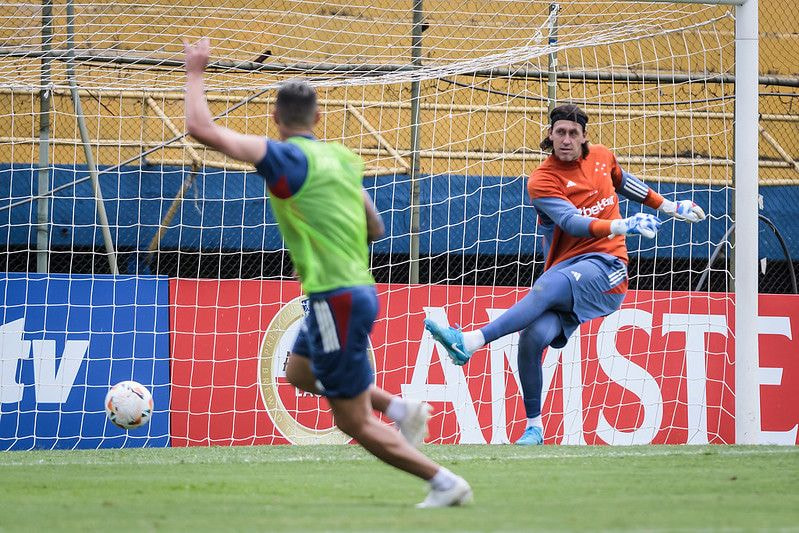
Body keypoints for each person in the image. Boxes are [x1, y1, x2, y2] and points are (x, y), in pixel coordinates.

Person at [184, 38, 472, 507]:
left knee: (351, 420)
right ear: (318, 118)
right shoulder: (339, 159)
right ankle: (400, 408)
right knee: (298, 372)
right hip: (357, 288)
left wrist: (196, 70)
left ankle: (444, 481)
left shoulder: (284, 158)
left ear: (275, 120)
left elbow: (201, 128)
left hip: (333, 295)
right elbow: (375, 227)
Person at [425, 104, 706, 445]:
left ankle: (470, 342)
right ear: (550, 135)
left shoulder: (602, 157)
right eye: (560, 132)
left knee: (546, 287)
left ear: (584, 137)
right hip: (569, 271)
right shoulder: (542, 180)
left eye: (574, 133)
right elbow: (572, 222)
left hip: (609, 269)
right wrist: (623, 224)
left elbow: (624, 181)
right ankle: (534, 427)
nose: (567, 139)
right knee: (531, 338)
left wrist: (670, 207)